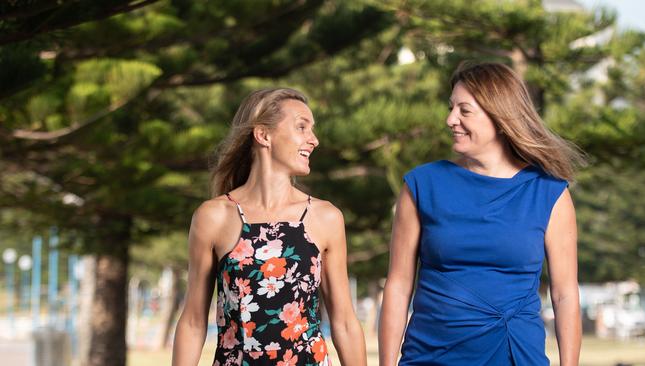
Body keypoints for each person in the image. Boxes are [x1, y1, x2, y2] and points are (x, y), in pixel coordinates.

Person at [379, 62, 583, 365]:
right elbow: (397, 286)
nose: (450, 119)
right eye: (451, 108)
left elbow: (565, 294)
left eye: (465, 110)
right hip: (432, 356)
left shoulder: (549, 193)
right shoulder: (422, 185)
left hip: (515, 354)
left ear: (499, 117)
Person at [172, 88, 366, 366]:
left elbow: (345, 323)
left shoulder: (325, 218)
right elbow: (192, 322)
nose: (314, 140)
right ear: (263, 135)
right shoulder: (213, 216)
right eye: (302, 127)